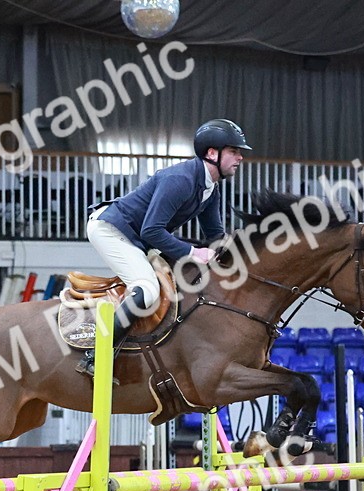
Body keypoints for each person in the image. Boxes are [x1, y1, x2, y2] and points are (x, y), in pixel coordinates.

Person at [77, 119, 251, 377]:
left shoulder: (210, 190)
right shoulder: (180, 180)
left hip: (138, 237)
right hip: (111, 229)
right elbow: (151, 230)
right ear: (212, 153)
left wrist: (242, 255)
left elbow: (215, 236)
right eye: (234, 151)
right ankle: (96, 356)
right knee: (147, 289)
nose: (240, 158)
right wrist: (194, 253)